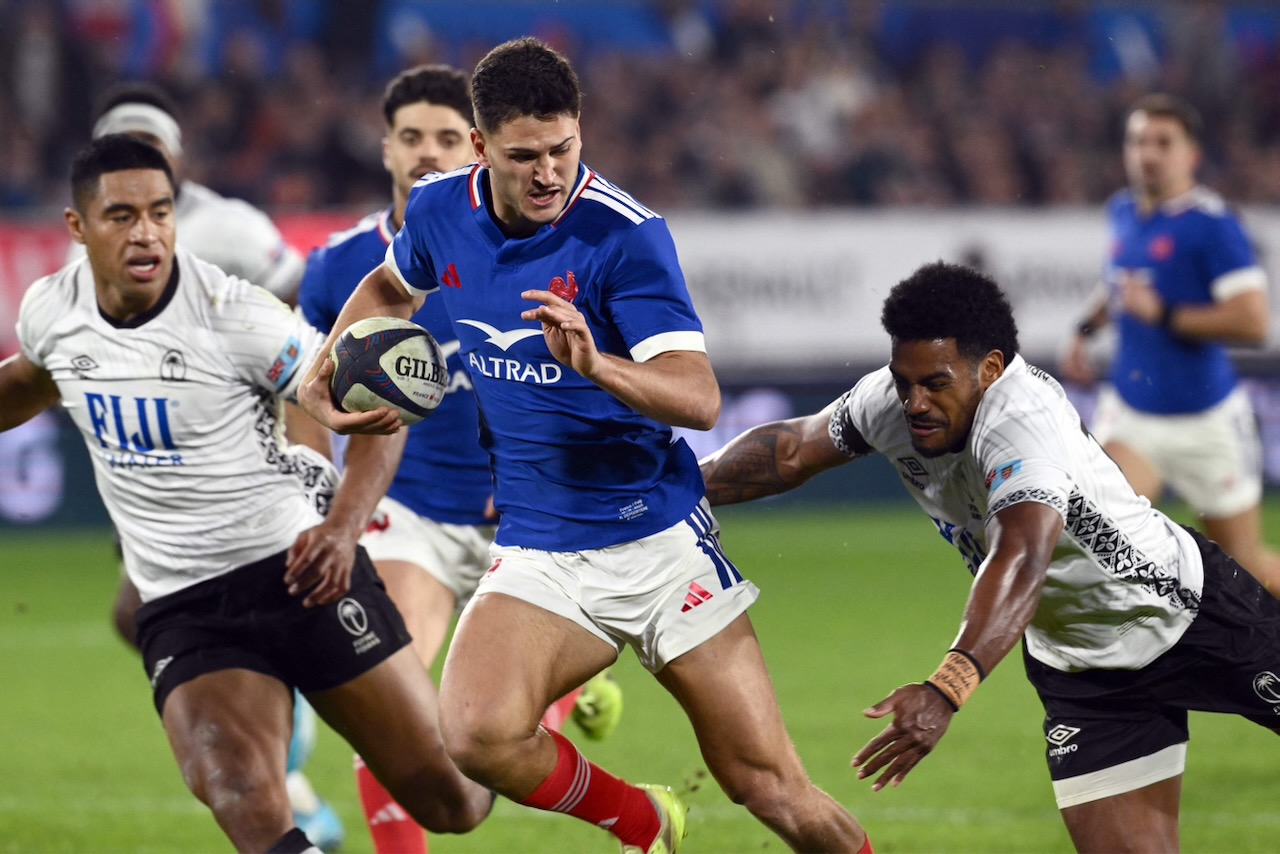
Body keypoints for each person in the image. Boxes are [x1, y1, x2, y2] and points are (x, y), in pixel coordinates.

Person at [296, 37, 872, 854]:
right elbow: (391, 286)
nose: (548, 173)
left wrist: (597, 364)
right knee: (474, 735)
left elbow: (699, 397)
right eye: (524, 155)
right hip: (540, 544)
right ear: (481, 146)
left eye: (562, 149)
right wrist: (326, 368)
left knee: (768, 788)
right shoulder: (437, 213)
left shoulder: (624, 236)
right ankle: (647, 822)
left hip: (658, 540)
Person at [1, 134, 494, 853]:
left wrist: (342, 528)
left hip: (298, 571)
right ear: (78, 227)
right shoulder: (53, 311)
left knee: (455, 802)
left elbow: (374, 407)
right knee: (239, 792)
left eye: (160, 212)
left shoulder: (234, 315)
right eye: (122, 216)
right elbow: (28, 380)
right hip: (183, 604)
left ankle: (519, 705)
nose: (146, 233)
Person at [699, 260, 1280, 852]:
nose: (915, 403)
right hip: (1083, 670)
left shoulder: (1022, 421)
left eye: (935, 383)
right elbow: (792, 451)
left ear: (992, 369)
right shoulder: (889, 402)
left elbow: (1022, 557)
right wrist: (680, 490)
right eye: (904, 381)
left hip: (1189, 615)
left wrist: (946, 687)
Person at [296, 63, 622, 854]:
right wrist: (315, 495)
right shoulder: (339, 267)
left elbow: (599, 381)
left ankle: (559, 699)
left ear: (474, 147)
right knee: (396, 699)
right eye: (410, 137)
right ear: (386, 148)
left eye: (445, 137)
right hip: (413, 513)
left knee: (497, 719)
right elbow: (300, 392)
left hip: (531, 518)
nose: (427, 152)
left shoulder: (540, 244)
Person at [70, 80, 338, 846]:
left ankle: (289, 754)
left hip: (242, 465)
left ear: (178, 158)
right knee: (136, 614)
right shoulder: (93, 241)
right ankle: (287, 777)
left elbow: (306, 320)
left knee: (209, 612)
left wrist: (306, 453)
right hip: (155, 468)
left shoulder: (231, 228)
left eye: (152, 148)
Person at [1060, 92, 1280, 596]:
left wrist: (1165, 315)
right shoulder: (1123, 210)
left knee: (1246, 568)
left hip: (1206, 421)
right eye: (1139, 141)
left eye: (1163, 142)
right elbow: (1120, 284)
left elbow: (1253, 322)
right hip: (1133, 415)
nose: (1149, 153)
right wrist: (1086, 329)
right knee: (1097, 543)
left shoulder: (1213, 225)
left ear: (1191, 154)